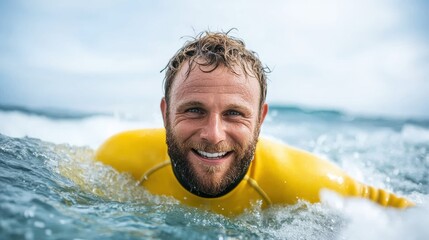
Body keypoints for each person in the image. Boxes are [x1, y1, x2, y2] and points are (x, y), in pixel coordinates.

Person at [95, 31, 413, 216]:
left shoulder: (310, 184)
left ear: (260, 119)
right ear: (165, 114)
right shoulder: (117, 159)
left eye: (234, 113)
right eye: (193, 110)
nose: (213, 135)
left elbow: (412, 219)